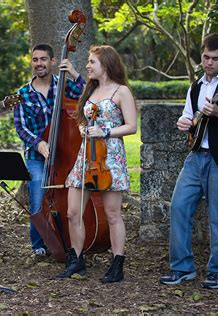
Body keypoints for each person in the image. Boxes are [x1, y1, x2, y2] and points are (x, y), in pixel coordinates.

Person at [159, 33, 218, 289]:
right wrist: (183, 123)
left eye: (215, 59)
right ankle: (182, 268)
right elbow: (189, 117)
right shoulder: (197, 85)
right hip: (196, 156)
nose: (209, 63)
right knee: (178, 207)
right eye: (206, 57)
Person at [57, 45, 137, 281]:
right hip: (86, 156)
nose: (88, 65)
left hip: (110, 156)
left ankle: (117, 264)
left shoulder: (121, 91)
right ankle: (77, 260)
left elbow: (132, 126)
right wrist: (83, 127)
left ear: (106, 64)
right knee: (72, 213)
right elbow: (82, 117)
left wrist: (104, 131)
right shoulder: (90, 90)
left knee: (112, 214)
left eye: (92, 62)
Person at [14, 43, 85, 256]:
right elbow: (21, 126)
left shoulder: (63, 85)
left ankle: (67, 238)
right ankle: (39, 243)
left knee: (66, 196)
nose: (39, 64)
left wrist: (74, 73)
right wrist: (39, 143)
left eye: (43, 59)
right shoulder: (23, 93)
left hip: (64, 152)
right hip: (37, 155)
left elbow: (87, 93)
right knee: (37, 197)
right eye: (35, 60)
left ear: (52, 61)